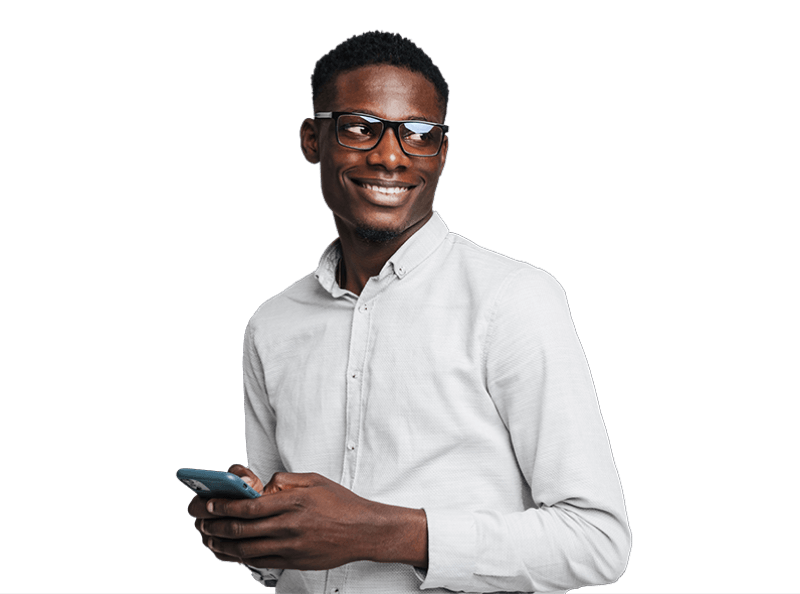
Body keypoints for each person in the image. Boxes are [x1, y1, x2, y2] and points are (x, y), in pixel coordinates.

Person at [187, 30, 631, 594]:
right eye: (359, 128)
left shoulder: (514, 299)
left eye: (419, 135)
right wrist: (253, 533)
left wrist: (382, 533)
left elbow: (596, 541)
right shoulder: (272, 325)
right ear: (311, 139)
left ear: (442, 152)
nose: (390, 156)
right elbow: (283, 566)